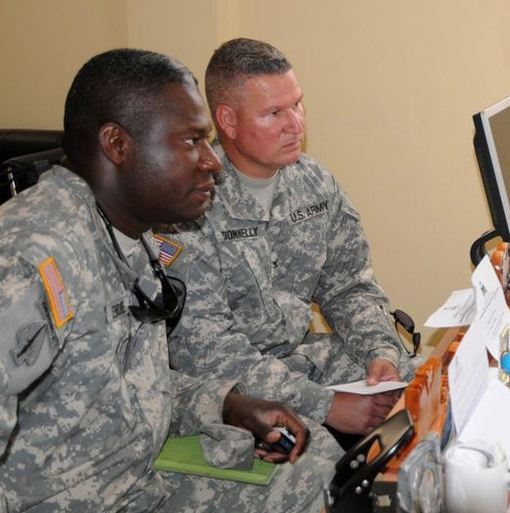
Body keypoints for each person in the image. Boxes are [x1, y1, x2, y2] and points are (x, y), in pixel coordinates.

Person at [0, 49, 336, 511]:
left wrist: (228, 404)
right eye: (191, 141)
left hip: (140, 485)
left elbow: (130, 388)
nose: (213, 162)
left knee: (317, 472)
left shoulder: (128, 231)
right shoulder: (32, 256)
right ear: (117, 145)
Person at [163, 38, 414, 446]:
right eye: (274, 113)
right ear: (227, 121)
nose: (296, 124)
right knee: (323, 462)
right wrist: (324, 406)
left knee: (419, 393)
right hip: (232, 394)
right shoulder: (189, 203)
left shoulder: (314, 184)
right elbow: (205, 349)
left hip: (302, 361)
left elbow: (349, 286)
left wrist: (381, 353)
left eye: (297, 105)